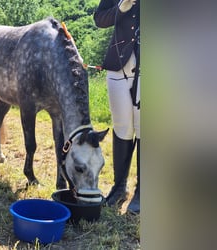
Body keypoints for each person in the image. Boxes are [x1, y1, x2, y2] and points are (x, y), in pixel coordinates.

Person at [94, 0, 140, 214]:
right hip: (117, 66)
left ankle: (143, 191)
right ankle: (119, 187)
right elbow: (99, 19)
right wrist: (120, 9)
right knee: (122, 127)